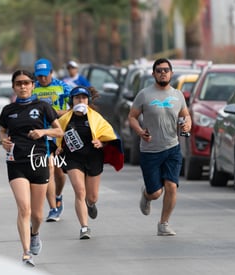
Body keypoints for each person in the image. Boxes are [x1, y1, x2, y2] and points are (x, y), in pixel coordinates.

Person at [0, 69, 63, 266]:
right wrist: (3, 142)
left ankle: (35, 233)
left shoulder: (43, 107)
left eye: (26, 83)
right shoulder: (8, 110)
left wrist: (42, 132)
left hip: (39, 162)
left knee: (37, 214)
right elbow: (2, 132)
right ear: (14, 87)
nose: (23, 86)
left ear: (33, 85)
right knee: (23, 208)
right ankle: (26, 253)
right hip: (16, 162)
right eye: (19, 83)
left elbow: (59, 130)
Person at [128, 58, 192, 236]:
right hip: (150, 151)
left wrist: (187, 125)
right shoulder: (144, 94)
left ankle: (164, 224)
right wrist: (140, 131)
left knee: (171, 186)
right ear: (154, 74)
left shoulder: (178, 95)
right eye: (159, 70)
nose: (163, 73)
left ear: (171, 73)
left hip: (172, 148)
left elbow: (186, 116)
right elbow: (132, 116)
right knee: (156, 193)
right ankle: (147, 195)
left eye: (166, 70)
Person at [56, 86, 124, 239]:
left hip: (93, 158)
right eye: (77, 98)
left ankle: (91, 204)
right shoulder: (64, 120)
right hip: (73, 159)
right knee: (80, 191)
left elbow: (110, 136)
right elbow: (55, 137)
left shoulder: (96, 118)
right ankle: (84, 227)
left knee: (92, 197)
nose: (81, 100)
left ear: (88, 100)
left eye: (84, 98)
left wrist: (102, 143)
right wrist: (58, 148)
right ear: (72, 101)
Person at [33, 58, 71, 222]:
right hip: (42, 133)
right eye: (39, 76)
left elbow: (74, 108)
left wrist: (55, 113)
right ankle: (53, 208)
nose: (42, 79)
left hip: (59, 132)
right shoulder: (32, 88)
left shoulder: (63, 87)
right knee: (49, 168)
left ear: (51, 72)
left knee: (60, 172)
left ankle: (58, 194)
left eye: (45, 75)